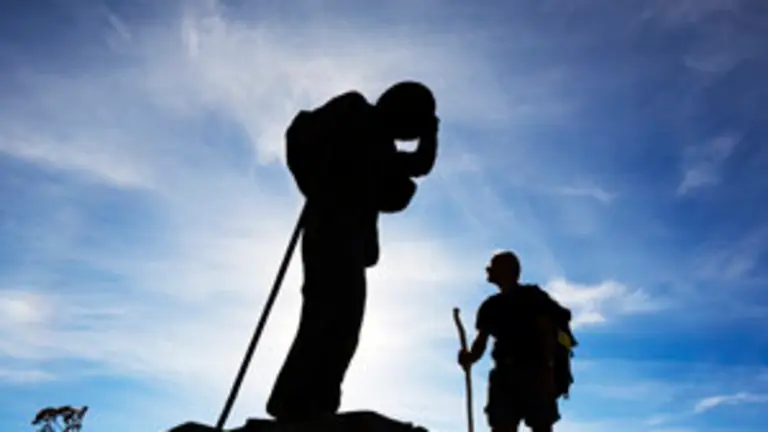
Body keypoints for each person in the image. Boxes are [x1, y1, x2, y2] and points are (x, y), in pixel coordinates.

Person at [267, 81, 440, 424]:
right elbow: (301, 131)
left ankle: (312, 398)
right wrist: (320, 180)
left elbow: (417, 167)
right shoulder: (354, 110)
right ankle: (298, 400)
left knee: (343, 321)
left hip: (350, 238)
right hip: (330, 228)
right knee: (328, 315)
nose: (410, 134)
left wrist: (431, 132)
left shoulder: (382, 146)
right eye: (415, 125)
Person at [458, 251, 572, 432]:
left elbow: (547, 335)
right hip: (506, 378)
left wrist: (549, 373)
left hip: (535, 375)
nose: (488, 270)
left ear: (506, 271)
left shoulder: (532, 298)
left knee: (540, 426)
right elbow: (481, 342)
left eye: (492, 267)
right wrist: (469, 357)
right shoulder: (490, 306)